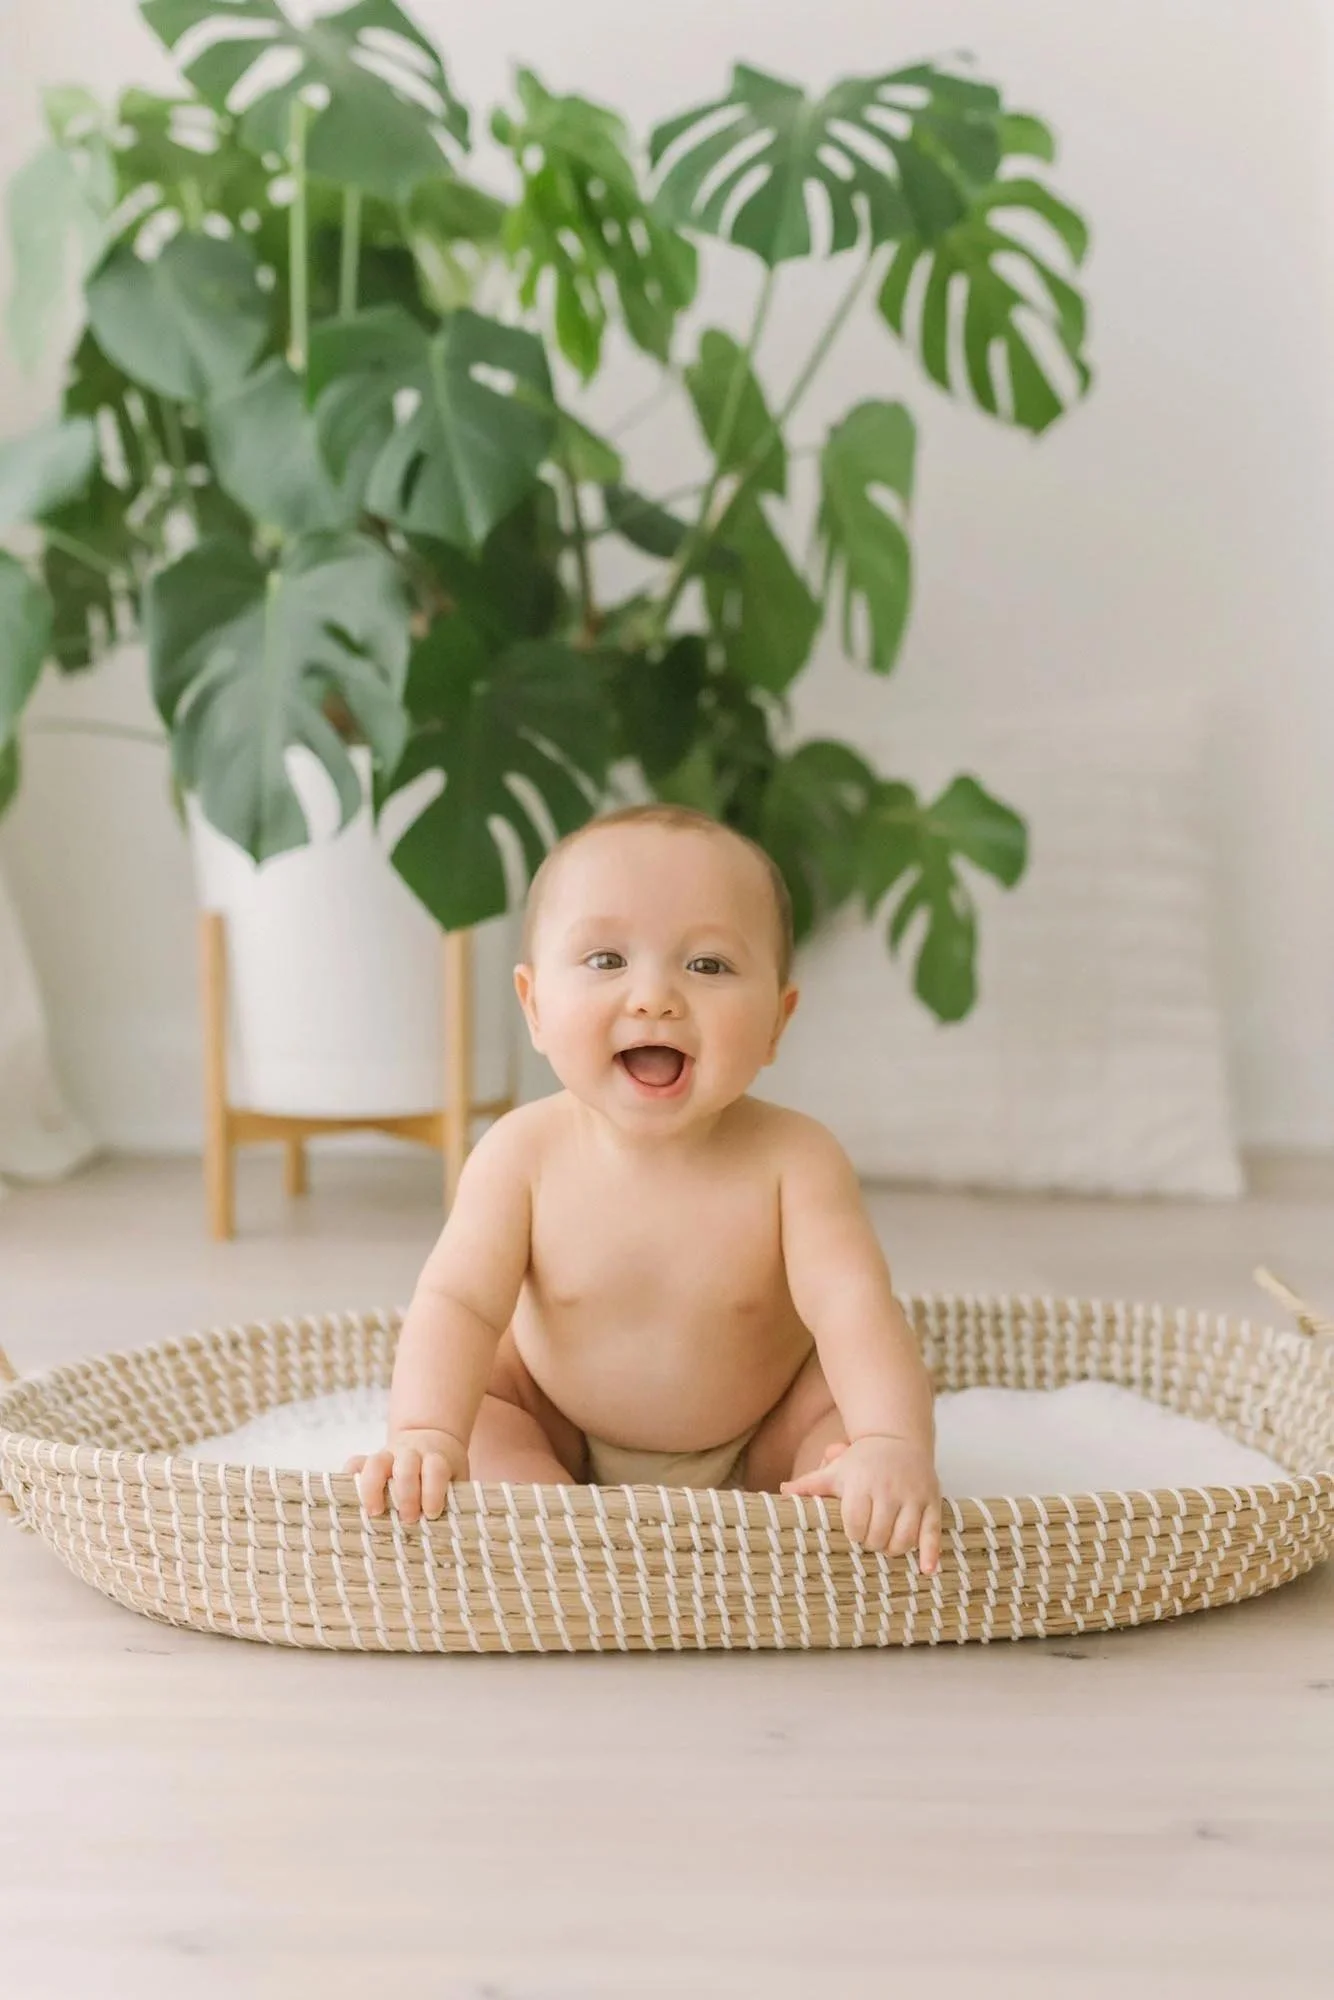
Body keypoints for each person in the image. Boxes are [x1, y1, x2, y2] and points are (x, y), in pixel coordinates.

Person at [348, 804, 942, 1568]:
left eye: (708, 965)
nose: (654, 996)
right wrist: (426, 1433)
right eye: (605, 961)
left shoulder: (797, 1159)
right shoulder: (518, 1153)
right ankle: (556, 1522)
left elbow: (853, 1306)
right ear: (533, 1005)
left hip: (763, 1434)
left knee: (846, 1416)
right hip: (557, 1423)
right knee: (488, 1416)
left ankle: (857, 1475)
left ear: (776, 1022)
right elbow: (457, 1303)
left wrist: (891, 1443)